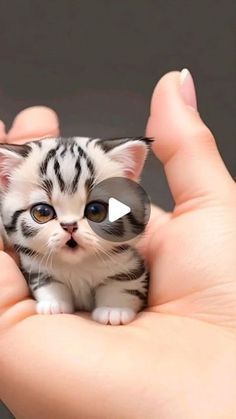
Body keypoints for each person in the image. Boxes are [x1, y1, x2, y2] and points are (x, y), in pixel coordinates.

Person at [0, 70, 235, 419]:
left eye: (94, 210)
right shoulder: (36, 260)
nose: (69, 226)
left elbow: (127, 279)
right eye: (43, 211)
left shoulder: (120, 258)